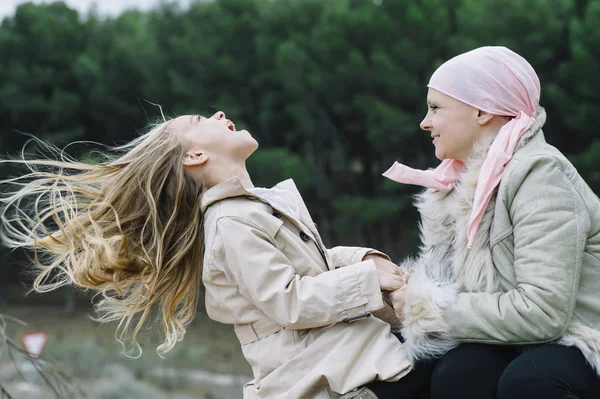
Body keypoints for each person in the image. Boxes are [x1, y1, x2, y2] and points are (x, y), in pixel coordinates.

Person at [0, 111, 433, 398]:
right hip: (334, 381)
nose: (220, 114)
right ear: (195, 155)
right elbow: (290, 300)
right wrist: (368, 281)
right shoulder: (231, 221)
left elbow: (308, 264)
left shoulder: (250, 208)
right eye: (200, 119)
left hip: (353, 360)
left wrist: (363, 261)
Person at [384, 45, 600, 399]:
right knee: (457, 373)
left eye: (436, 107)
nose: (425, 122)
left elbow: (543, 311)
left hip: (582, 336)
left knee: (529, 382)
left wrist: (430, 307)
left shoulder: (540, 173)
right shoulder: (457, 185)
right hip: (518, 338)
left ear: (483, 110)